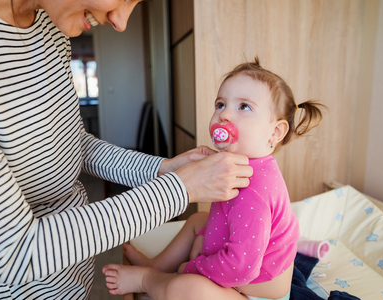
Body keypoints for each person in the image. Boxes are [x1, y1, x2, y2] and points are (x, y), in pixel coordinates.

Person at [0, 1, 254, 299]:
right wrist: (179, 189)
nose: (121, 22)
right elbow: (9, 253)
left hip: (72, 279)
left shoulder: (50, 28)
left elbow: (71, 143)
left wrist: (162, 169)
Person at [103, 57, 326, 300]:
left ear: (275, 132)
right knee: (198, 219)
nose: (224, 115)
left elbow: (240, 268)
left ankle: (148, 279)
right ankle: (155, 264)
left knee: (185, 288)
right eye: (220, 104)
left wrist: (191, 268)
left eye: (244, 107)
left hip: (253, 292)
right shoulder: (238, 165)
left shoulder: (256, 192)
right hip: (243, 264)